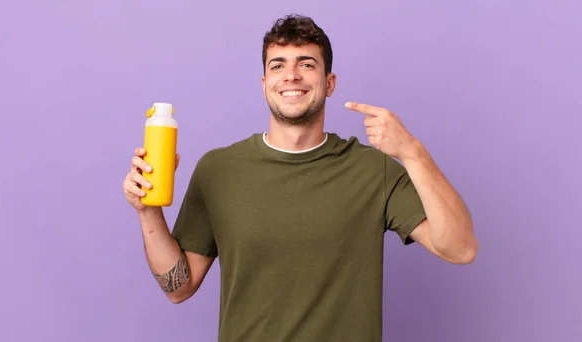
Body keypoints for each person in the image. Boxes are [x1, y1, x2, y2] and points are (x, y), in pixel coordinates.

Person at [122, 14, 478, 342]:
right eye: (278, 65)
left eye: (306, 64)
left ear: (330, 82)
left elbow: (460, 249)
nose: (290, 75)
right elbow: (178, 288)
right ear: (265, 83)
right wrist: (147, 211)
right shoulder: (218, 169)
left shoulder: (374, 170)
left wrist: (413, 152)